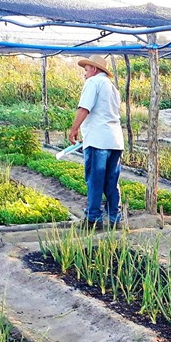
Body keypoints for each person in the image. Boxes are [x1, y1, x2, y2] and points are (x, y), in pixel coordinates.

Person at [68, 54, 125, 229]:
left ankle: (93, 219)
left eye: (86, 70)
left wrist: (74, 129)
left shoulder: (93, 83)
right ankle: (115, 219)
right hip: (115, 141)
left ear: (94, 69)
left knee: (95, 180)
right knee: (111, 181)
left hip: (98, 141)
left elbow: (84, 108)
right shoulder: (112, 88)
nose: (84, 74)